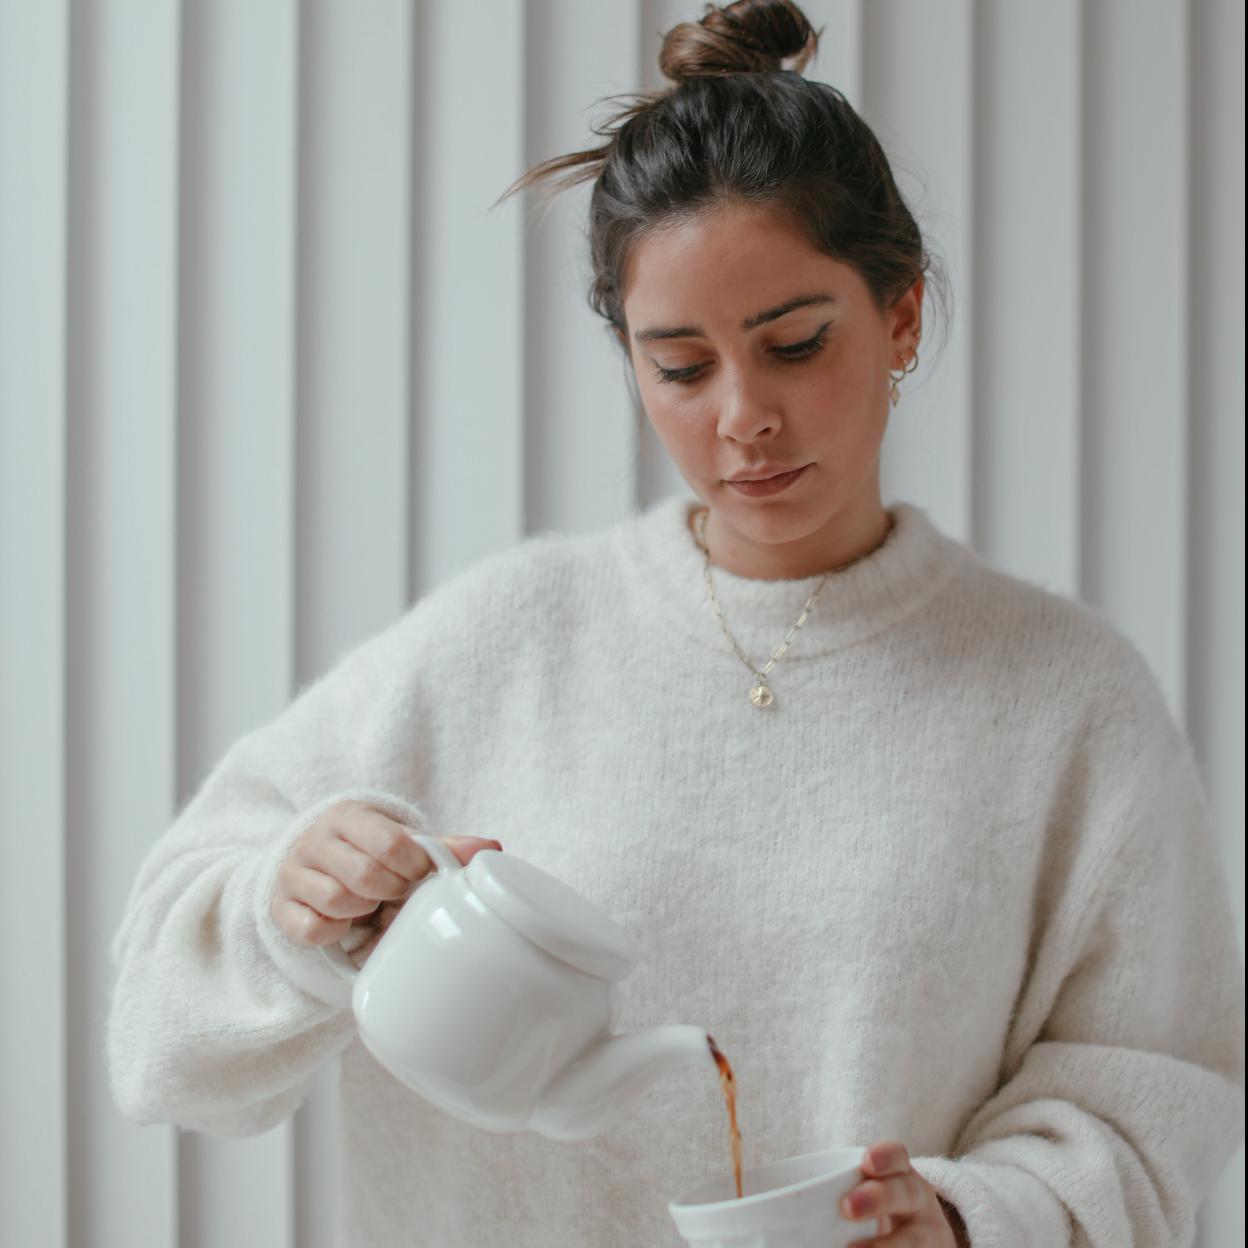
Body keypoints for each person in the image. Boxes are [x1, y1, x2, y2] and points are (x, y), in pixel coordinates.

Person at [106, 2, 1245, 1244]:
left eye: (796, 344)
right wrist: (293, 904)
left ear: (901, 316)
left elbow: (1155, 1091)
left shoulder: (1067, 698)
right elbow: (160, 1047)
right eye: (681, 367)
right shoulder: (508, 637)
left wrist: (974, 1221)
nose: (743, 417)